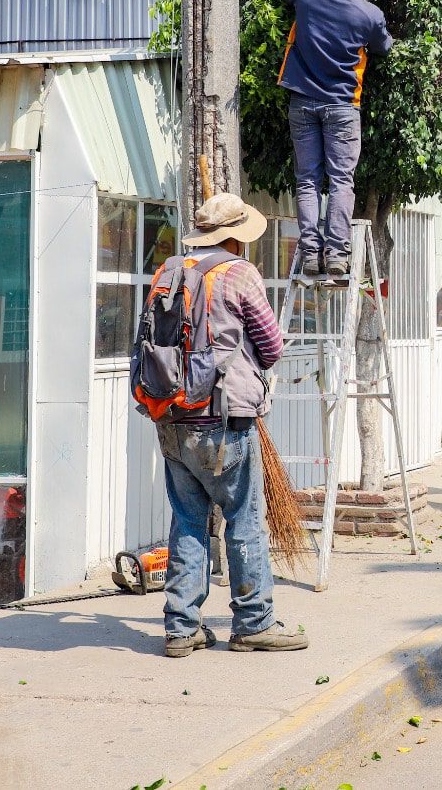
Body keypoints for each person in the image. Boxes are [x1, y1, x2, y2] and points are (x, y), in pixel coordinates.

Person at [154, 194, 305, 657]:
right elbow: (271, 345)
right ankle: (254, 622)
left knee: (188, 521)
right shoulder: (239, 273)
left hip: (172, 417)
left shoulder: (167, 271)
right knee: (244, 519)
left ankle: (182, 628)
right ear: (236, 236)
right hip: (224, 420)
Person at [277, 0, 394, 281]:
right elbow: (384, 47)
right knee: (341, 179)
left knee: (307, 180)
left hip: (302, 100)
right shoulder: (370, 14)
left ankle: (311, 254)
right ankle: (338, 254)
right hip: (343, 106)